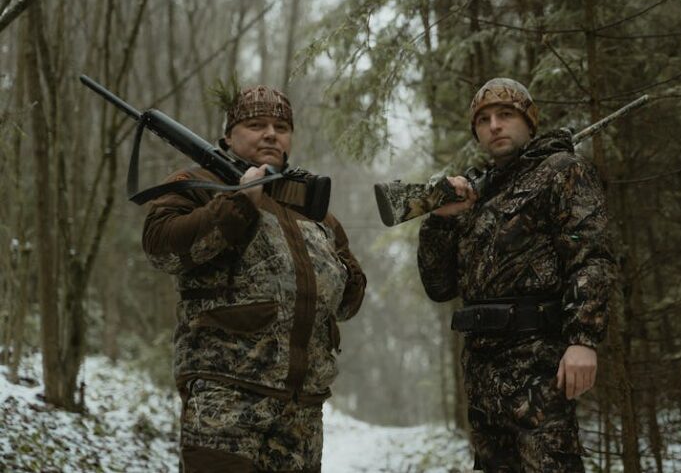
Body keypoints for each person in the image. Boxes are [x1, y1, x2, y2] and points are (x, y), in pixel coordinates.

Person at [142, 84, 366, 473]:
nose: (270, 133)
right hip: (225, 402)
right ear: (229, 135)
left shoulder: (313, 211)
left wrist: (345, 276)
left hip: (303, 411)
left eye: (281, 126)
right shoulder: (199, 185)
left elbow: (348, 301)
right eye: (255, 124)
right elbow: (161, 248)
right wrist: (238, 202)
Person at [417, 78, 617, 472]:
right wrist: (439, 222)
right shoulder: (475, 194)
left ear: (528, 122)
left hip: (538, 367)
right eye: (484, 119)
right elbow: (440, 287)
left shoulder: (562, 171)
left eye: (506, 115)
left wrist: (583, 339)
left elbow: (591, 256)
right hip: (482, 373)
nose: (494, 125)